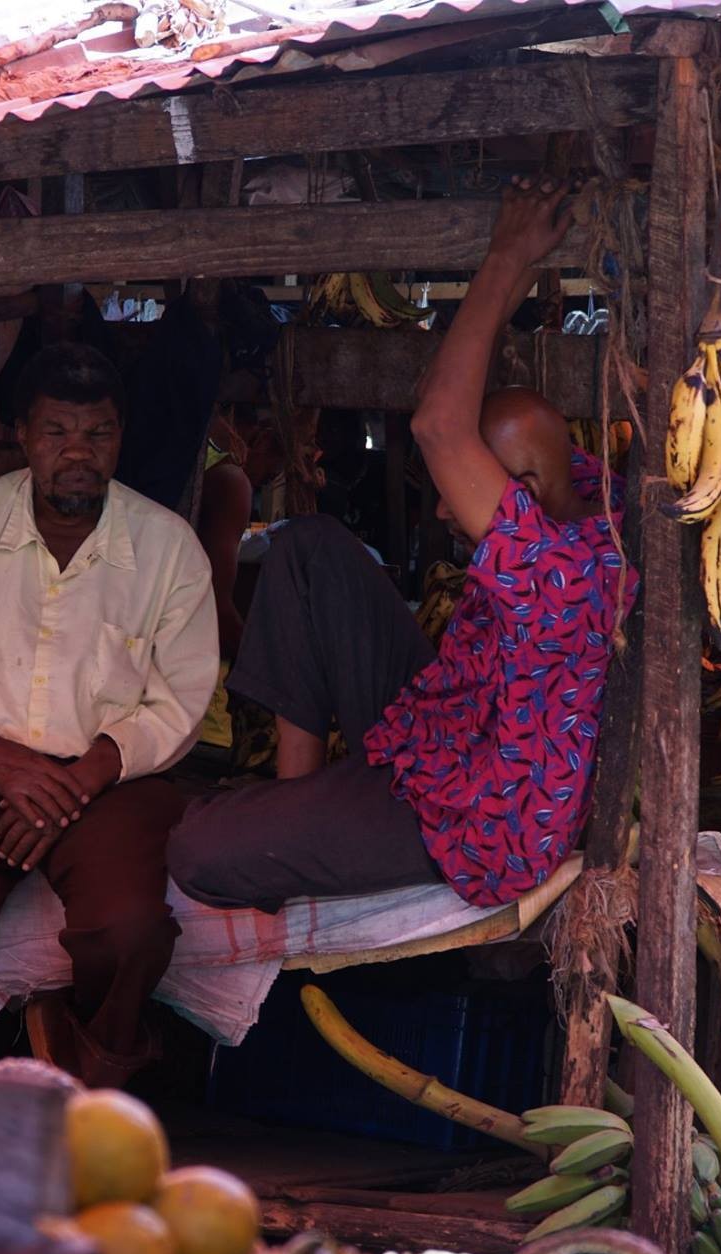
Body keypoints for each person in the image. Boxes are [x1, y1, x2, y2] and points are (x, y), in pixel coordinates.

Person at [167, 184, 637, 912]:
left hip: (474, 819)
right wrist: (512, 277)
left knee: (195, 849)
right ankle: (306, 805)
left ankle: (296, 834)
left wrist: (506, 253)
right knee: (310, 549)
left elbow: (438, 425)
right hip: (442, 729)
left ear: (524, 485)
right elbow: (446, 394)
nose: (448, 508)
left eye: (467, 491)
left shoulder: (560, 573)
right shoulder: (576, 485)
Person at [0, 343, 218, 1084]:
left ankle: (85, 1084)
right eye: (57, 432)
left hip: (108, 784)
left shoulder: (168, 549)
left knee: (131, 931)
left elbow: (182, 699)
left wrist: (77, 782)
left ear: (122, 436)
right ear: (20, 433)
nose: (78, 453)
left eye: (99, 433)